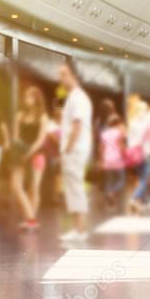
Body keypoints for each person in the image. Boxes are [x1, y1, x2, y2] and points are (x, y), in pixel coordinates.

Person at [58, 61, 93, 243]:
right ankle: (77, 228)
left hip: (74, 151)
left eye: (64, 74)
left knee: (75, 187)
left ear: (73, 75)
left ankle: (80, 229)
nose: (61, 79)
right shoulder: (74, 97)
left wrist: (67, 149)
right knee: (72, 187)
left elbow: (77, 125)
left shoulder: (78, 98)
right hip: (75, 150)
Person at [9, 86, 48, 230]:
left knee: (34, 187)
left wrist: (30, 151)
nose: (26, 99)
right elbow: (16, 136)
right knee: (15, 186)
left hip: (37, 153)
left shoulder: (42, 117)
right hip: (20, 153)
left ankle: (30, 219)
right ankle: (31, 218)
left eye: (30, 97)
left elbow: (41, 138)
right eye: (25, 96)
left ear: (36, 99)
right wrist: (19, 150)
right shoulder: (20, 115)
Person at [98, 113, 127, 206]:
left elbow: (101, 149)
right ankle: (112, 192)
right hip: (117, 159)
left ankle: (110, 196)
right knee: (121, 180)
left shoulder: (104, 134)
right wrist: (125, 154)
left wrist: (101, 160)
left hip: (107, 160)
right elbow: (121, 146)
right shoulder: (118, 133)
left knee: (109, 180)